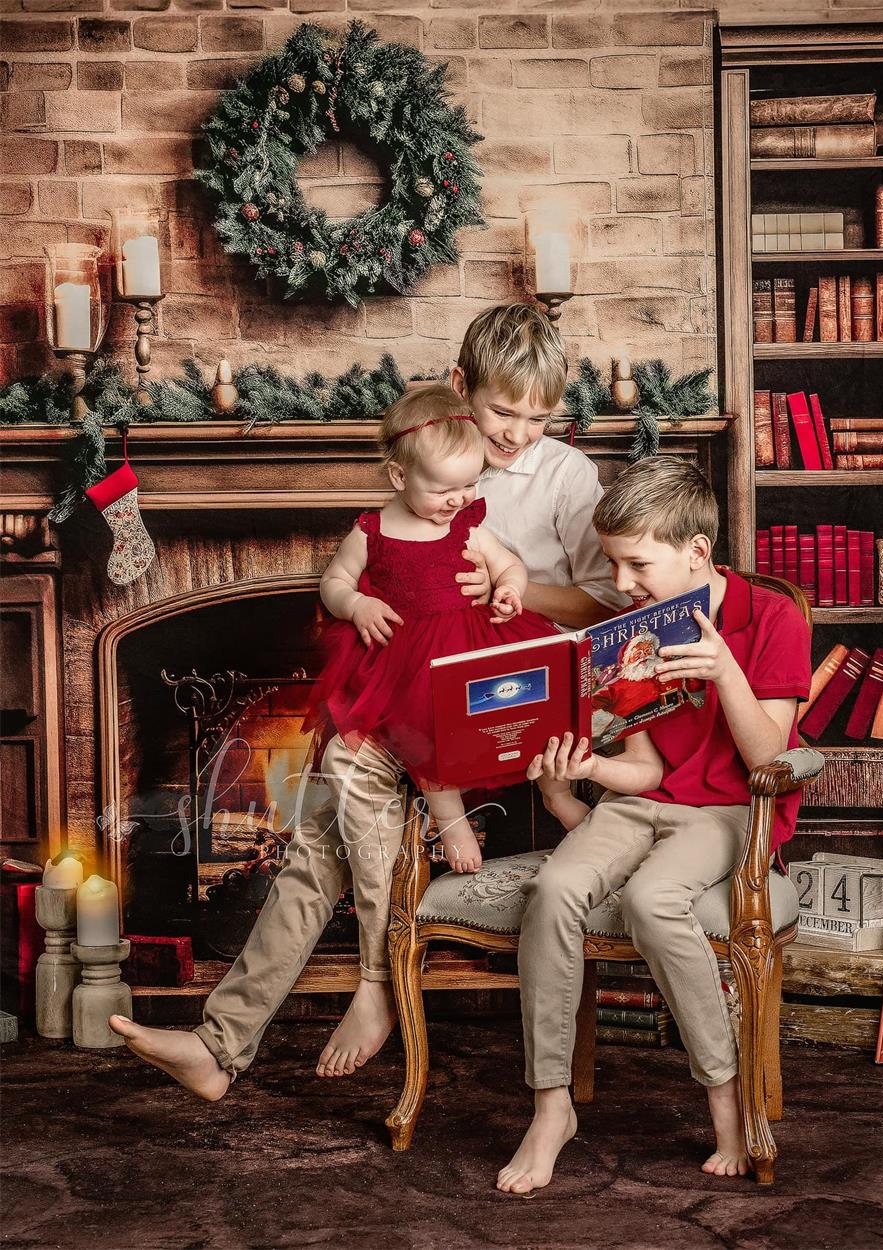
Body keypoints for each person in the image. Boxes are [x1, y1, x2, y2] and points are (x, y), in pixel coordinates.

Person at [109, 302, 623, 1098]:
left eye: (537, 416)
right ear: (460, 388)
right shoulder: (426, 461)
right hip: (423, 706)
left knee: (342, 793)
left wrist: (513, 585)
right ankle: (223, 1045)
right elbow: (363, 575)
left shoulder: (566, 475)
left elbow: (603, 606)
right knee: (329, 811)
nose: (518, 432)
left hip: (512, 705)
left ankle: (362, 994)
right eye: (501, 411)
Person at [496, 455, 811, 1195]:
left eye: (637, 565)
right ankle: (550, 1109)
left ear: (696, 553)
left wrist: (725, 671)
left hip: (732, 810)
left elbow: (773, 758)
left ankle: (723, 1097)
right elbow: (640, 766)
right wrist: (586, 774)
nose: (624, 584)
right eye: (614, 564)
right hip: (644, 801)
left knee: (651, 900)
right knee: (556, 888)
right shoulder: (633, 628)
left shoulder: (772, 618)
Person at [305, 385, 560, 876]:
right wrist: (355, 603)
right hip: (408, 659)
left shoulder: (467, 525)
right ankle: (451, 819)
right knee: (423, 723)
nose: (457, 500)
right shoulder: (372, 531)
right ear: (400, 476)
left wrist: (509, 588)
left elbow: (511, 565)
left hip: (475, 642)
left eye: (467, 485)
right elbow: (332, 581)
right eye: (443, 490)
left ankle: (556, 790)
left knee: (534, 702)